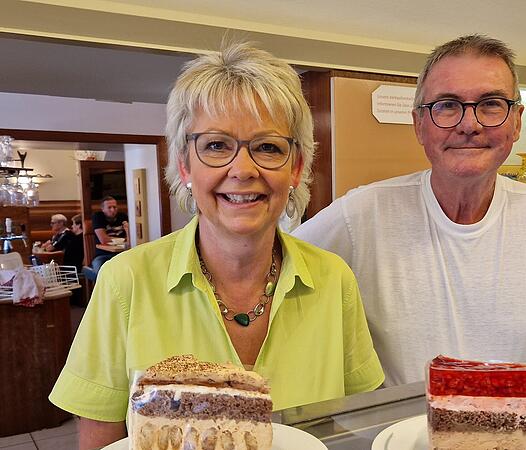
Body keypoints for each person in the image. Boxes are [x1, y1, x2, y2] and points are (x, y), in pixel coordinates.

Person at [50, 42, 384, 449]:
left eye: (268, 147)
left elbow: (355, 424)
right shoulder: (126, 281)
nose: (242, 170)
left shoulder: (334, 279)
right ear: (185, 165)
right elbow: (100, 443)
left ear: (295, 168)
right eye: (216, 145)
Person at [294, 34, 526, 386]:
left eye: (491, 103)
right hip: (396, 437)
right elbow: (271, 271)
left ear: (517, 121)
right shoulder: (361, 215)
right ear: (419, 124)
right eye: (447, 104)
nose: (469, 124)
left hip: (511, 436)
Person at [85, 196, 128, 279]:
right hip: (103, 255)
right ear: (103, 209)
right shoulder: (98, 217)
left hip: (121, 253)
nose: (113, 210)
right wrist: (122, 240)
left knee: (128, 272)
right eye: (109, 207)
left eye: (114, 207)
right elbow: (103, 239)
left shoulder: (123, 216)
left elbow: (131, 239)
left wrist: (127, 230)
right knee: (101, 275)